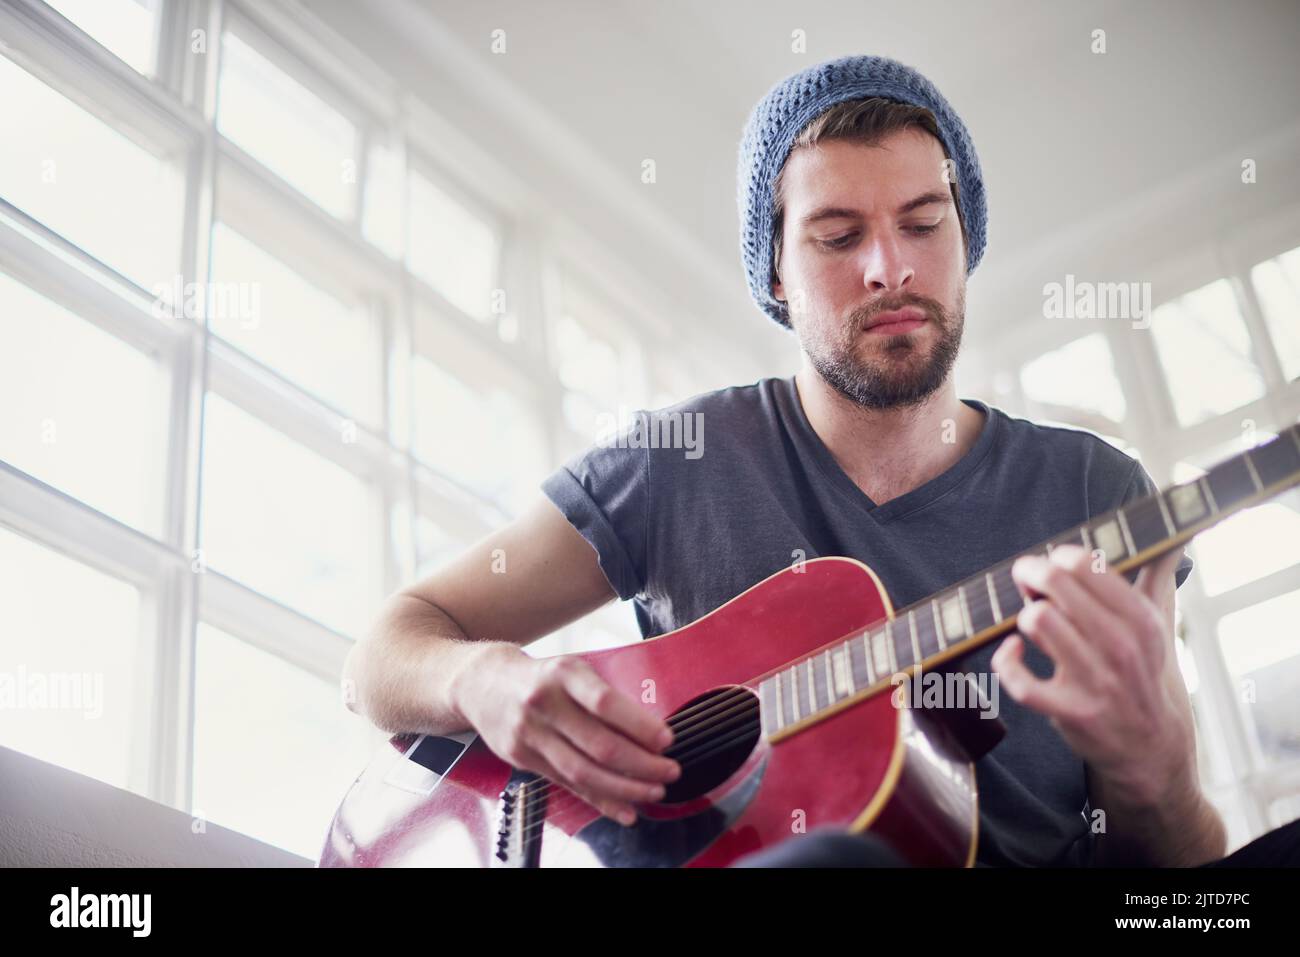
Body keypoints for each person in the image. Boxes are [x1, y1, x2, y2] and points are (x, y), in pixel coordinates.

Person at [342, 54, 1288, 866]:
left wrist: (1152, 770)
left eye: (924, 224)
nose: (890, 267)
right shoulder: (683, 460)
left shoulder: (1096, 496)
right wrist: (484, 680)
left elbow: (1182, 894)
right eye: (838, 237)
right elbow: (380, 656)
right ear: (777, 277)